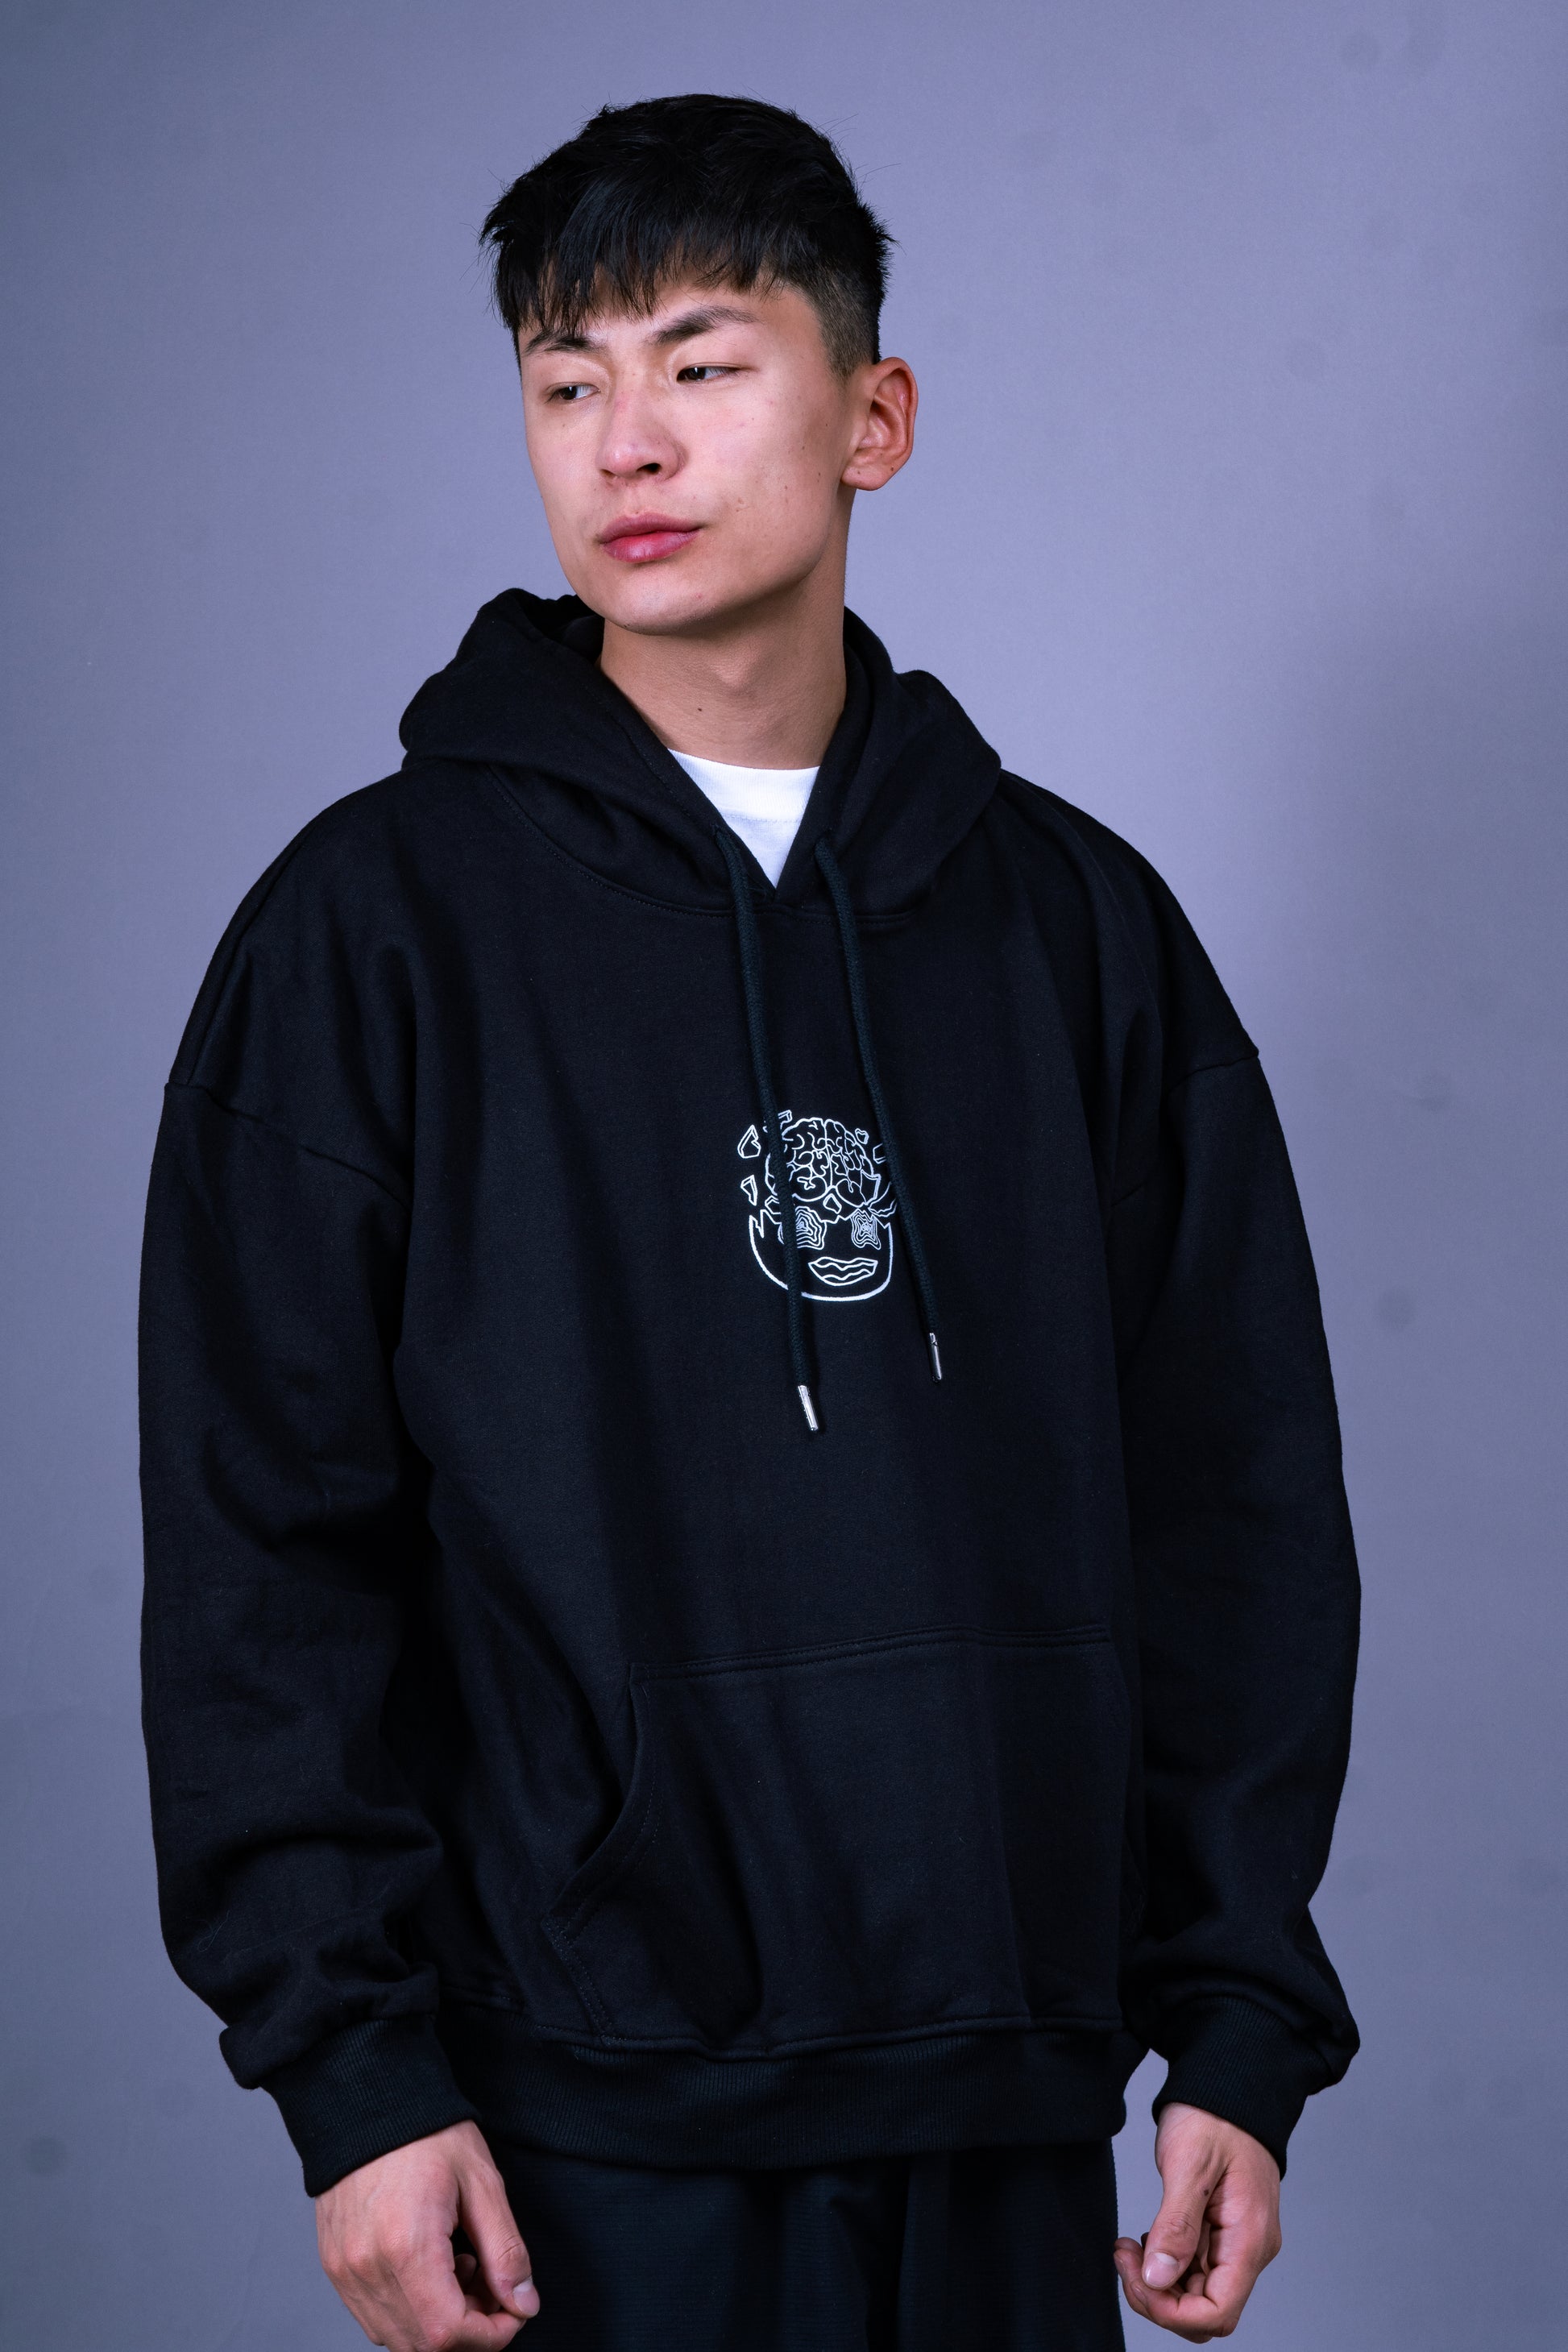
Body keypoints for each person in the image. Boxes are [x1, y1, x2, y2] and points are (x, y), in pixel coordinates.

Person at [138, 93, 1359, 2352]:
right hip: (585, 2109)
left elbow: (1237, 1504)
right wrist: (354, 2076)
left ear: (870, 416)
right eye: (565, 381)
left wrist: (1239, 2024)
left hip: (1008, 2082)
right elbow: (261, 1546)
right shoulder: (374, 932)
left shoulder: (1072, 929)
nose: (628, 441)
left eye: (701, 364)